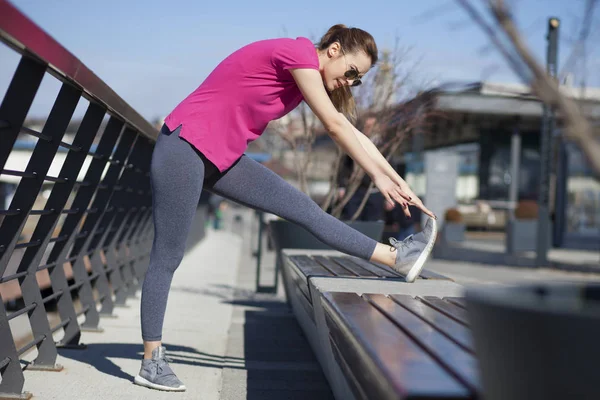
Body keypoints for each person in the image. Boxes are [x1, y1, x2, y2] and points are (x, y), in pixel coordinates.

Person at [134, 24, 438, 392]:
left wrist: (396, 181)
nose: (351, 82)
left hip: (222, 157)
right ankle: (151, 361)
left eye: (358, 80)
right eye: (352, 72)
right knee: (168, 254)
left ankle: (397, 258)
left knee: (306, 210)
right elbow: (335, 125)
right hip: (185, 145)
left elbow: (353, 131)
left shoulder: (306, 76)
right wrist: (379, 178)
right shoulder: (297, 55)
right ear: (334, 50)